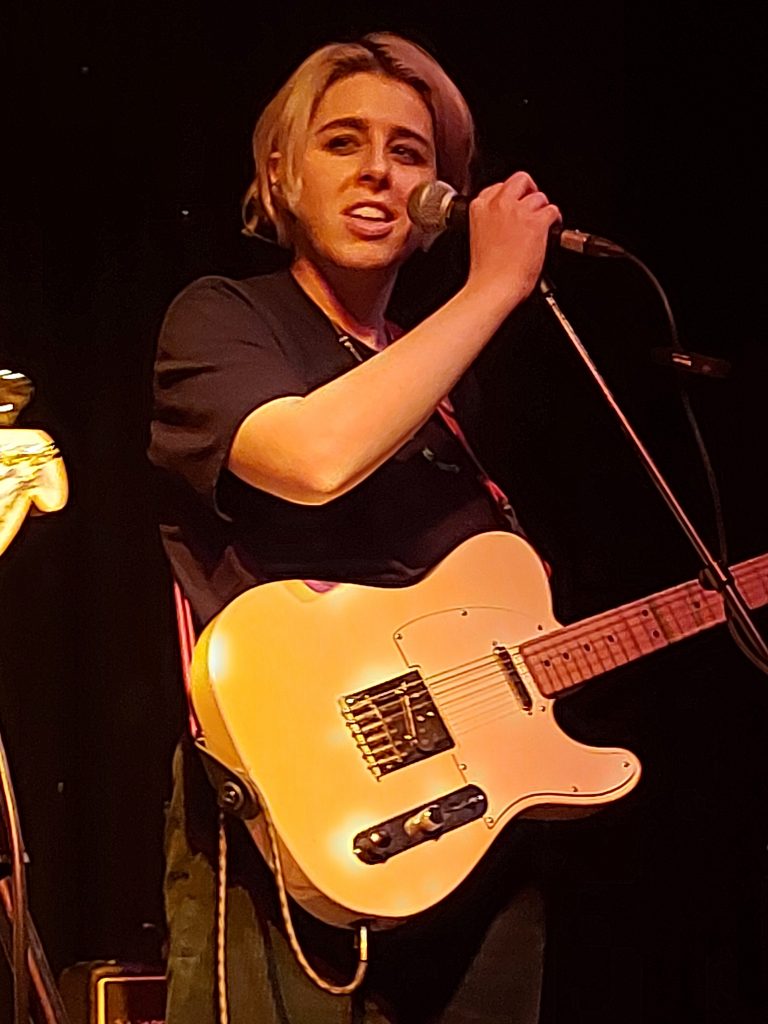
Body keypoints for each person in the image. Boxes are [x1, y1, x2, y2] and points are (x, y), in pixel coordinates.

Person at [149, 31, 562, 1024]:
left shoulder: (452, 384)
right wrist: (494, 286)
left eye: (410, 153)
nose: (379, 169)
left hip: (467, 837)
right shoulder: (222, 318)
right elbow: (313, 459)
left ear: (439, 198)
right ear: (280, 174)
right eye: (342, 141)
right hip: (289, 834)